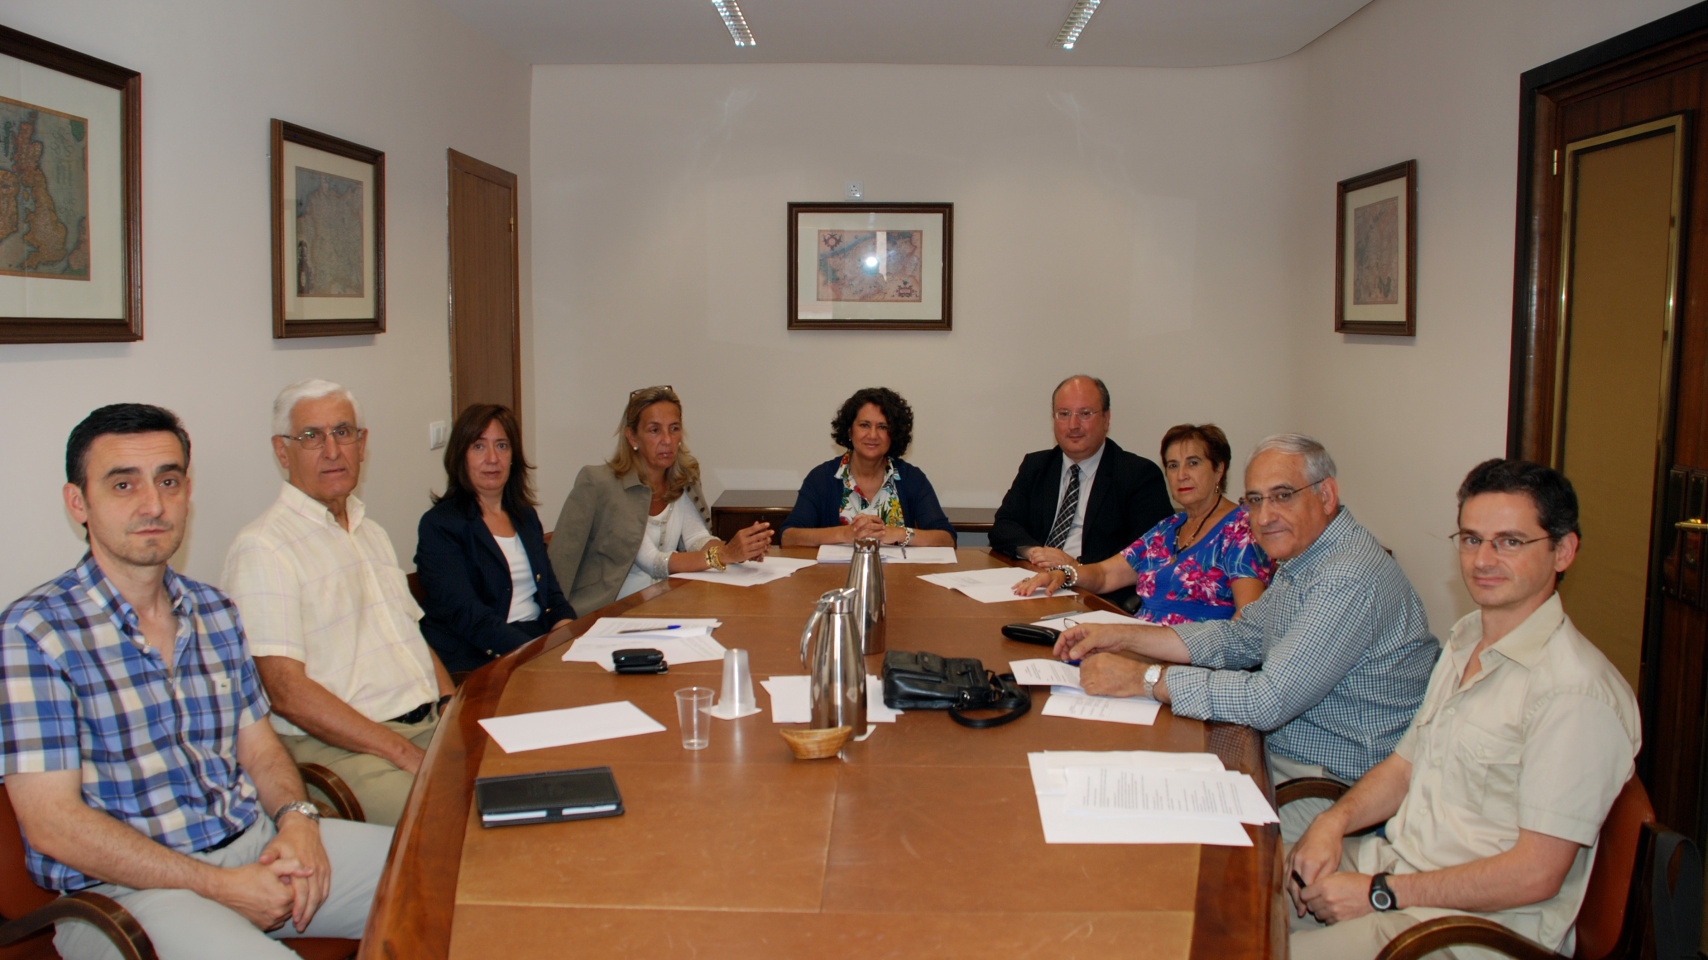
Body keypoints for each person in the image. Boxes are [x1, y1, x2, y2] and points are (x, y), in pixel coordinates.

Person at [0, 403, 392, 960]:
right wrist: (220, 889)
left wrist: (298, 821)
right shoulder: (35, 632)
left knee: (453, 874)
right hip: (127, 895)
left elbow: (260, 751)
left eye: (168, 480)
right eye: (122, 485)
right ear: (78, 502)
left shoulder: (213, 610)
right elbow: (53, 825)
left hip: (253, 847)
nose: (153, 504)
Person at [1287, 459, 1639, 960]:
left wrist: (1378, 893)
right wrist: (1331, 824)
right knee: (1230, 891)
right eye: (1471, 539)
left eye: (1510, 541)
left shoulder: (1574, 693)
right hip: (1397, 871)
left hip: (1466, 932)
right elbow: (1403, 767)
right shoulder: (1464, 639)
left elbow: (1536, 873)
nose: (1483, 560)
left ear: (1563, 550)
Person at [1053, 433, 1439, 839]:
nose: (1265, 516)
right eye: (1254, 500)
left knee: (1159, 831)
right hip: (1275, 750)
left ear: (1326, 495)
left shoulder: (1347, 577)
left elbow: (1267, 700)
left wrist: (1143, 680)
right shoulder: (1306, 557)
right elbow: (1240, 637)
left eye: (1283, 496)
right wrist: (1121, 637)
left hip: (1331, 786)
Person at [223, 379, 455, 827]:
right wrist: (400, 751)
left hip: (426, 727)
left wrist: (451, 707)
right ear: (282, 451)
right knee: (457, 819)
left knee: (527, 784)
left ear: (363, 444)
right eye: (311, 436)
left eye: (343, 432)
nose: (332, 450)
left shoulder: (371, 531)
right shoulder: (264, 548)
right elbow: (287, 694)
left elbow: (410, 636)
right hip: (343, 749)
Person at [1013, 423, 1273, 622]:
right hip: (1142, 642)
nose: (1181, 475)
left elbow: (1247, 622)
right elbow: (1105, 575)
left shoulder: (1243, 528)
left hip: (1194, 663)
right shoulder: (1169, 528)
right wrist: (1064, 573)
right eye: (1172, 465)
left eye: (1193, 463)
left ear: (1219, 469)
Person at [549, 386, 773, 615]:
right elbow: (651, 560)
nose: (667, 440)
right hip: (609, 612)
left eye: (674, 429)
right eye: (654, 430)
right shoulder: (601, 483)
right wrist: (723, 555)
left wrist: (739, 549)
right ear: (632, 436)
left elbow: (696, 538)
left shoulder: (685, 476)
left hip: (667, 603)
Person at [416, 403, 575, 674]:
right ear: (460, 456)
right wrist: (539, 656)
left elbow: (553, 597)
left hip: (535, 645)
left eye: (502, 446)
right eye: (479, 446)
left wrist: (570, 636)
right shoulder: (440, 525)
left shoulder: (524, 517)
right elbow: (469, 617)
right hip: (477, 658)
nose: (492, 458)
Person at [990, 376, 1172, 594]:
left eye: (1085, 414)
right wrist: (1035, 553)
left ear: (1106, 419)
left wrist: (1073, 566)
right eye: (1064, 414)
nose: (1073, 425)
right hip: (1035, 583)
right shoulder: (1036, 466)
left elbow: (1146, 552)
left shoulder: (1138, 475)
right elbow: (1003, 525)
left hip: (1097, 594)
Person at [777, 387, 958, 548]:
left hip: (900, 582)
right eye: (864, 425)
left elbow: (947, 538)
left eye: (882, 427)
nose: (872, 435)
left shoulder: (911, 478)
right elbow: (789, 536)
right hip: (835, 579)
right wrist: (844, 534)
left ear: (893, 434)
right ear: (849, 431)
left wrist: (897, 534)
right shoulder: (823, 478)